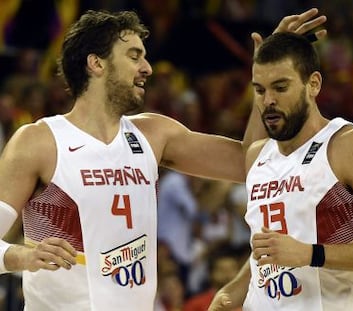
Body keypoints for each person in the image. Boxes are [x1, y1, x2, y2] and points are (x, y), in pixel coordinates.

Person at [0, 7, 327, 311]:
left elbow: (253, 165)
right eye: (134, 56)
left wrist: (267, 74)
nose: (147, 68)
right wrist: (21, 257)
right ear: (96, 64)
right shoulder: (39, 141)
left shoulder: (154, 134)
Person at [208, 32, 353, 311]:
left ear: (313, 84)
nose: (268, 100)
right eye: (260, 90)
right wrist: (236, 288)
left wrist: (313, 254)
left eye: (280, 88)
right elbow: (275, 249)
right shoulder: (257, 156)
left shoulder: (348, 145)